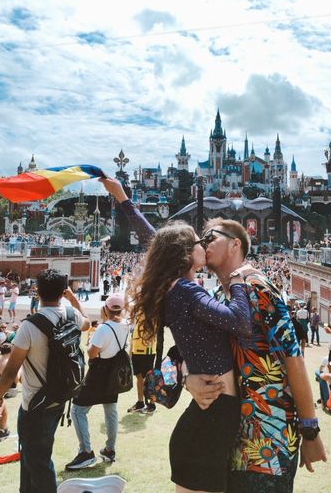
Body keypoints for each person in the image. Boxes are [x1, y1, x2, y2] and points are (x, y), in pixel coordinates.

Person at [100, 177, 254, 493]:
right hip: (214, 413)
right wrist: (238, 280)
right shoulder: (186, 291)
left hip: (206, 413)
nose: (204, 245)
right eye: (200, 242)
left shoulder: (174, 287)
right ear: (185, 255)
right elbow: (241, 321)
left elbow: (155, 241)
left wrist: (123, 199)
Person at [186, 219, 326, 493]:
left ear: (235, 244)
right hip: (229, 438)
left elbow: (292, 357)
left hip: (268, 440)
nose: (203, 245)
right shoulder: (217, 296)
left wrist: (310, 430)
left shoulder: (257, 286)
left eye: (210, 238)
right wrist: (188, 379)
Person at [0, 269, 90, 493]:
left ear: (37, 291)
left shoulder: (30, 326)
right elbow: (87, 324)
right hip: (59, 397)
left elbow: (10, 371)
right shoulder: (71, 314)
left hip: (35, 404)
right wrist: (73, 300)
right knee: (32, 455)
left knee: (38, 462)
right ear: (63, 292)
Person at [66, 293, 129, 469]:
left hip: (98, 372)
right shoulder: (125, 325)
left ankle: (85, 452)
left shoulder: (103, 328)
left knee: (78, 410)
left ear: (105, 308)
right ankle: (110, 449)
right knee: (111, 411)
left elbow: (92, 353)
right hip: (114, 373)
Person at [127, 310, 157, 415]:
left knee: (149, 378)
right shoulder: (138, 309)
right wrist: (131, 351)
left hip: (147, 351)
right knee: (139, 377)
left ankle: (152, 404)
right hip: (136, 350)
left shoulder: (152, 309)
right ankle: (140, 403)